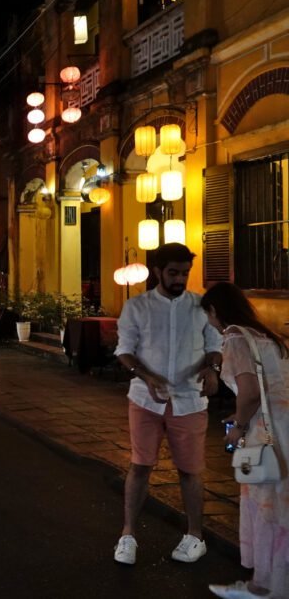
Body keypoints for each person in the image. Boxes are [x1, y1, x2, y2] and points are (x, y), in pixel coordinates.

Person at [112, 243, 223, 566]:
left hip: (189, 400)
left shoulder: (201, 306)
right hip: (145, 400)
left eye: (184, 273)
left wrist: (212, 368)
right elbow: (124, 350)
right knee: (140, 466)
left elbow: (215, 344)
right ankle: (128, 534)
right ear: (158, 271)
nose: (179, 279)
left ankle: (194, 536)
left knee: (190, 471)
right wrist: (145, 376)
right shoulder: (137, 306)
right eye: (173, 272)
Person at [202, 282, 289, 599]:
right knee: (282, 505)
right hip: (283, 424)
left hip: (267, 431)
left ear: (214, 311)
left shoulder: (236, 337)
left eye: (208, 316)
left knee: (267, 503)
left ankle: (263, 586)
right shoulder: (265, 335)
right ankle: (274, 582)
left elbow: (250, 392)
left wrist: (238, 425)